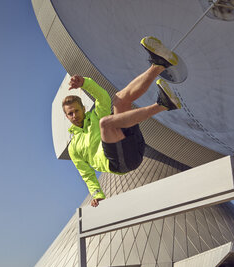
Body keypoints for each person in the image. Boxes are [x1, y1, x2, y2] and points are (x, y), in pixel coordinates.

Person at [63, 36, 181, 207]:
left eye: (76, 110)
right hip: (119, 162)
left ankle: (160, 64)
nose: (74, 115)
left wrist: (84, 83)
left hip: (134, 144)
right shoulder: (74, 148)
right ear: (67, 116)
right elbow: (86, 173)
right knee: (106, 123)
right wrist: (97, 194)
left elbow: (102, 97)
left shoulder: (96, 115)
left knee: (119, 101)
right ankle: (162, 105)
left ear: (82, 108)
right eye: (70, 114)